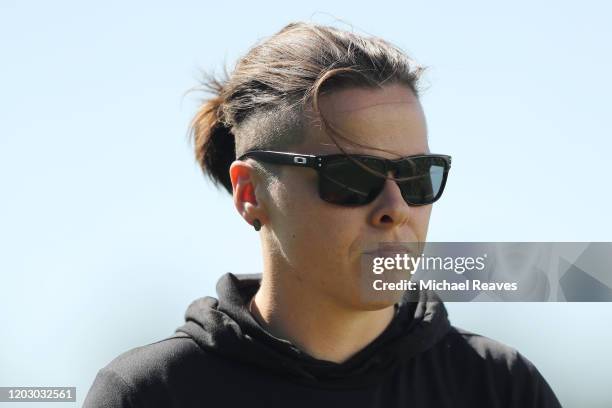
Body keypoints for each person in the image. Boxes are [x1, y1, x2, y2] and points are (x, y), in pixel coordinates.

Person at [83, 21, 562, 407]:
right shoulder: (149, 393)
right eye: (352, 176)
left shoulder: (499, 387)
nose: (395, 209)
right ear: (250, 192)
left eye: (418, 175)